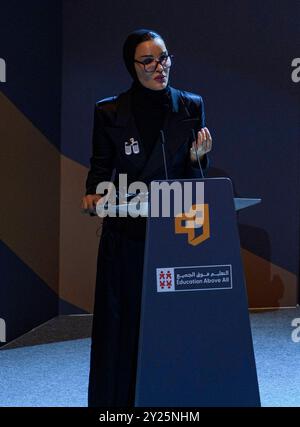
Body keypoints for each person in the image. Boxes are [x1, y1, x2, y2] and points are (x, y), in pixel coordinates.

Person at [81, 29, 212, 407]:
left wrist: (197, 158)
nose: (161, 67)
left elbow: (195, 177)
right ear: (132, 66)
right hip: (127, 234)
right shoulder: (108, 111)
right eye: (149, 61)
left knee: (172, 329)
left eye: (165, 57)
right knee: (122, 327)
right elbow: (101, 166)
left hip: (173, 235)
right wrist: (93, 191)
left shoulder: (190, 105)